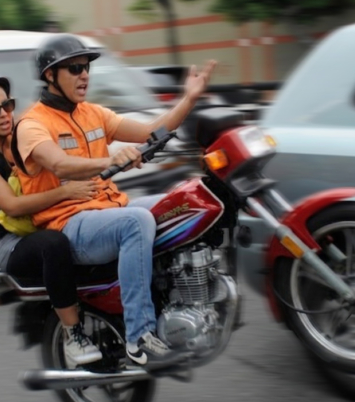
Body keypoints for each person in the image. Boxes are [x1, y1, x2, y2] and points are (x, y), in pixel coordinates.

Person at [12, 33, 216, 368]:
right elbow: (58, 163)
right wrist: (110, 160)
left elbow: (152, 130)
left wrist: (189, 98)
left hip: (108, 210)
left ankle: (182, 302)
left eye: (87, 67)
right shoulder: (32, 124)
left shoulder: (92, 113)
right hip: (70, 225)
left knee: (180, 202)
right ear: (50, 76)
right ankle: (139, 338)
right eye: (75, 68)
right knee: (137, 222)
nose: (84, 75)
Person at [0, 69, 104, 366]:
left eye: (7, 104)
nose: (4, 114)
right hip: (3, 239)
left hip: (35, 222)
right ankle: (74, 335)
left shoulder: (22, 136)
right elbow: (13, 206)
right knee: (54, 244)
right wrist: (67, 192)